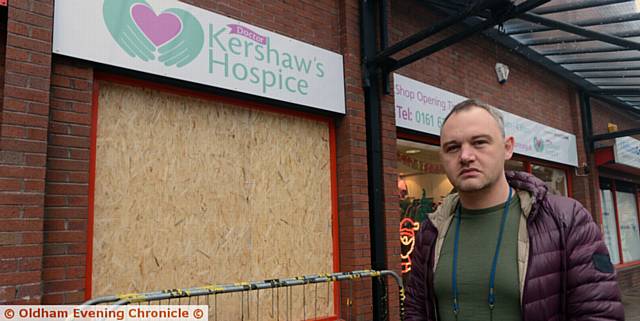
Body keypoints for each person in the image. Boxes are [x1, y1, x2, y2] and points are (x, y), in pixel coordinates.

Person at [404, 99, 624, 321]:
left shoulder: (567, 220)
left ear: (507, 148)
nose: (465, 156)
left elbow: (599, 314)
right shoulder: (432, 229)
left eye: (479, 142)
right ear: (442, 156)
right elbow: (416, 309)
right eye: (452, 147)